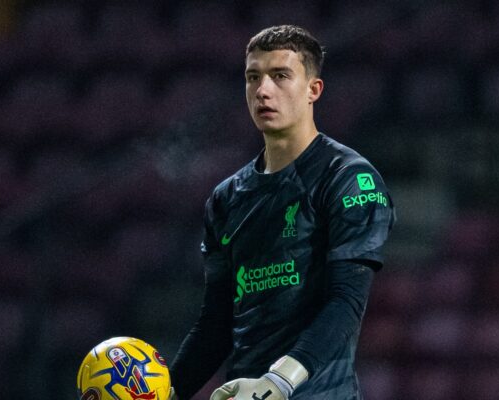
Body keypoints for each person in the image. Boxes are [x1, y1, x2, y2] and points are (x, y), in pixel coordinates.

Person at [169, 25, 396, 400]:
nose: (263, 90)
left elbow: (346, 302)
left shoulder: (348, 178)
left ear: (313, 90)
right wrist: (169, 393)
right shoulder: (227, 198)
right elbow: (216, 323)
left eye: (280, 76)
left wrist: (280, 381)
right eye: (253, 77)